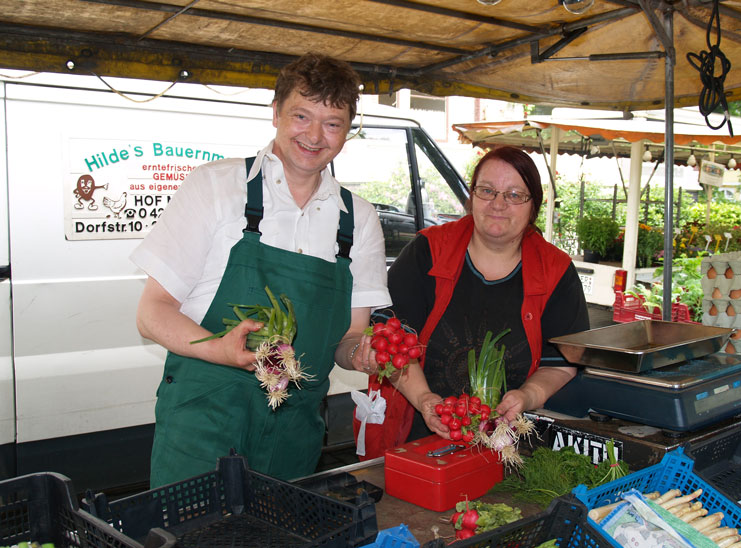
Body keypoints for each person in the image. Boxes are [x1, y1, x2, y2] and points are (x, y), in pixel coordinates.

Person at [132, 53, 390, 486]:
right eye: (301, 116)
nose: (314, 135)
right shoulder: (215, 186)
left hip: (292, 431)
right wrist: (219, 349)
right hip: (204, 417)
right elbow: (151, 312)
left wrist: (362, 355)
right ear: (275, 113)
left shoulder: (358, 219)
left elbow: (349, 336)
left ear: (347, 132)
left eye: (332, 123)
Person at [355, 146, 589, 458]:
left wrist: (527, 395)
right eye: (487, 190)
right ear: (472, 197)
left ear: (533, 206)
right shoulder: (426, 251)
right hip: (416, 435)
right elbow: (390, 343)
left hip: (508, 443)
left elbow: (562, 363)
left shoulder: (555, 270)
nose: (498, 204)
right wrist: (425, 398)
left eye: (515, 195)